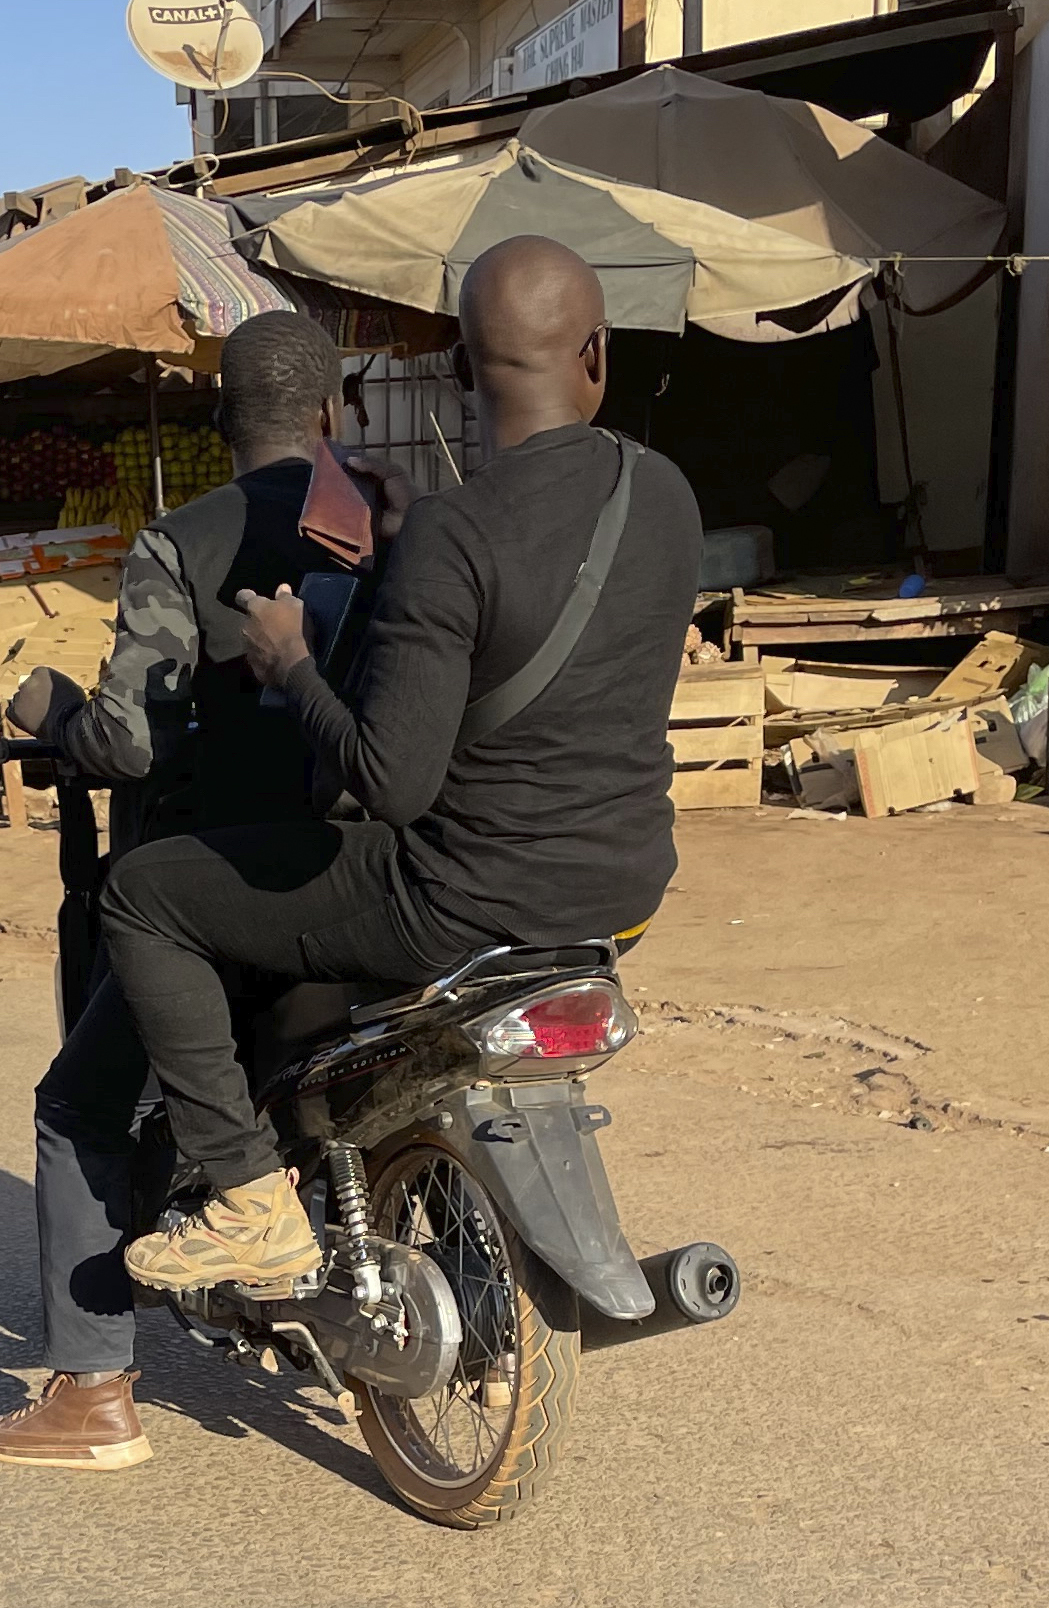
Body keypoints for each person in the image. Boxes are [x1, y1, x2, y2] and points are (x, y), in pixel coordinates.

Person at [99, 235, 702, 1296]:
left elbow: (389, 783)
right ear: (596, 356)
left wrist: (291, 665)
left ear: (464, 372)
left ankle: (248, 1200)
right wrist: (403, 543)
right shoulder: (663, 495)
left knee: (146, 896)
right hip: (622, 890)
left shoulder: (452, 536)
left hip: (461, 900)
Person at [0, 311, 366, 1471]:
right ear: (332, 417)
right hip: (370, 878)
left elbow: (133, 742)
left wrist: (54, 717)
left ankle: (90, 1394)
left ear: (219, 419)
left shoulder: (181, 543)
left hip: (207, 893)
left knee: (80, 1107)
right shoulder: (387, 527)